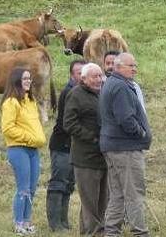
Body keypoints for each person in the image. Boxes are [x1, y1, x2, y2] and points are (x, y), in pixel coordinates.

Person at [99, 52, 151, 237]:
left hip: (113, 147)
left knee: (118, 193)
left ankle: (111, 232)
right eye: (131, 66)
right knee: (134, 193)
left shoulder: (112, 83)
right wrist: (141, 132)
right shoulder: (120, 86)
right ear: (118, 67)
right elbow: (126, 119)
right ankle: (140, 233)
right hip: (125, 148)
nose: (134, 69)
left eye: (135, 65)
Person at [1, 68, 47, 236]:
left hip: (33, 150)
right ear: (16, 81)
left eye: (29, 78)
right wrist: (28, 138)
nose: (28, 81)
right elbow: (7, 128)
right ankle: (18, 223)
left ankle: (27, 222)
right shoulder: (11, 102)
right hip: (18, 149)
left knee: (32, 188)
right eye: (24, 78)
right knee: (23, 188)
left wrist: (37, 138)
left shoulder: (30, 101)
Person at [64, 63, 108, 236]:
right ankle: (96, 233)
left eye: (100, 76)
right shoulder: (75, 95)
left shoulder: (102, 94)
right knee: (89, 201)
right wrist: (92, 137)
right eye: (94, 77)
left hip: (102, 156)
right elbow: (69, 123)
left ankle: (88, 232)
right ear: (83, 79)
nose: (98, 80)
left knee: (101, 200)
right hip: (85, 158)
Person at [46, 59, 86, 231]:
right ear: (72, 75)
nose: (82, 76)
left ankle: (64, 222)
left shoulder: (79, 91)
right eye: (79, 73)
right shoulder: (70, 92)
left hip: (71, 146)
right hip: (62, 145)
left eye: (84, 73)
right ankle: (55, 223)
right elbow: (69, 123)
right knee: (59, 183)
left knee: (68, 184)